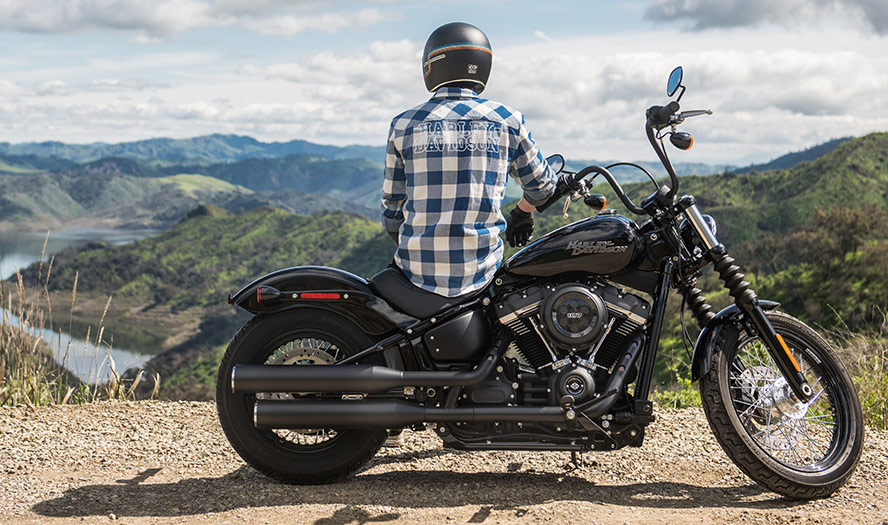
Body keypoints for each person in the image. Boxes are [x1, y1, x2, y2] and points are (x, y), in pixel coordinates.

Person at [380, 22, 559, 299]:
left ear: (432, 64)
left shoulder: (404, 124)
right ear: (482, 64)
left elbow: (392, 210)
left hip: (414, 275)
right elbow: (543, 187)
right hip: (484, 274)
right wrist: (522, 212)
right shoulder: (508, 120)